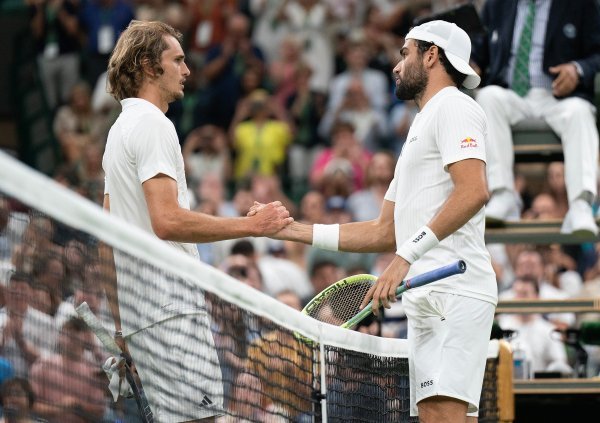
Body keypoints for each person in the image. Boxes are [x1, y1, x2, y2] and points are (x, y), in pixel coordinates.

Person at [251, 20, 497, 422]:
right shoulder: (420, 128)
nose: (397, 66)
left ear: (431, 55)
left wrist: (404, 258)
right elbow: (384, 230)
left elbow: (473, 191)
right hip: (430, 295)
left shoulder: (455, 106)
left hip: (453, 289)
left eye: (406, 53)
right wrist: (292, 230)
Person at [102, 20, 293, 422]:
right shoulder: (155, 123)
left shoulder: (118, 131)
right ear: (148, 65)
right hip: (171, 309)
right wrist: (250, 227)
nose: (187, 70)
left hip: (142, 317)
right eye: (177, 60)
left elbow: (107, 240)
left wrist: (122, 329)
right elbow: (167, 221)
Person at [471, 0, 600, 235]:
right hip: (511, 94)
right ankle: (503, 194)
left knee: (580, 113)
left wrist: (577, 69)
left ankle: (581, 205)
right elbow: (479, 53)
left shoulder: (582, 4)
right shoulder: (497, 5)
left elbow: (596, 53)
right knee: (487, 97)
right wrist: (469, 65)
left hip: (559, 96)